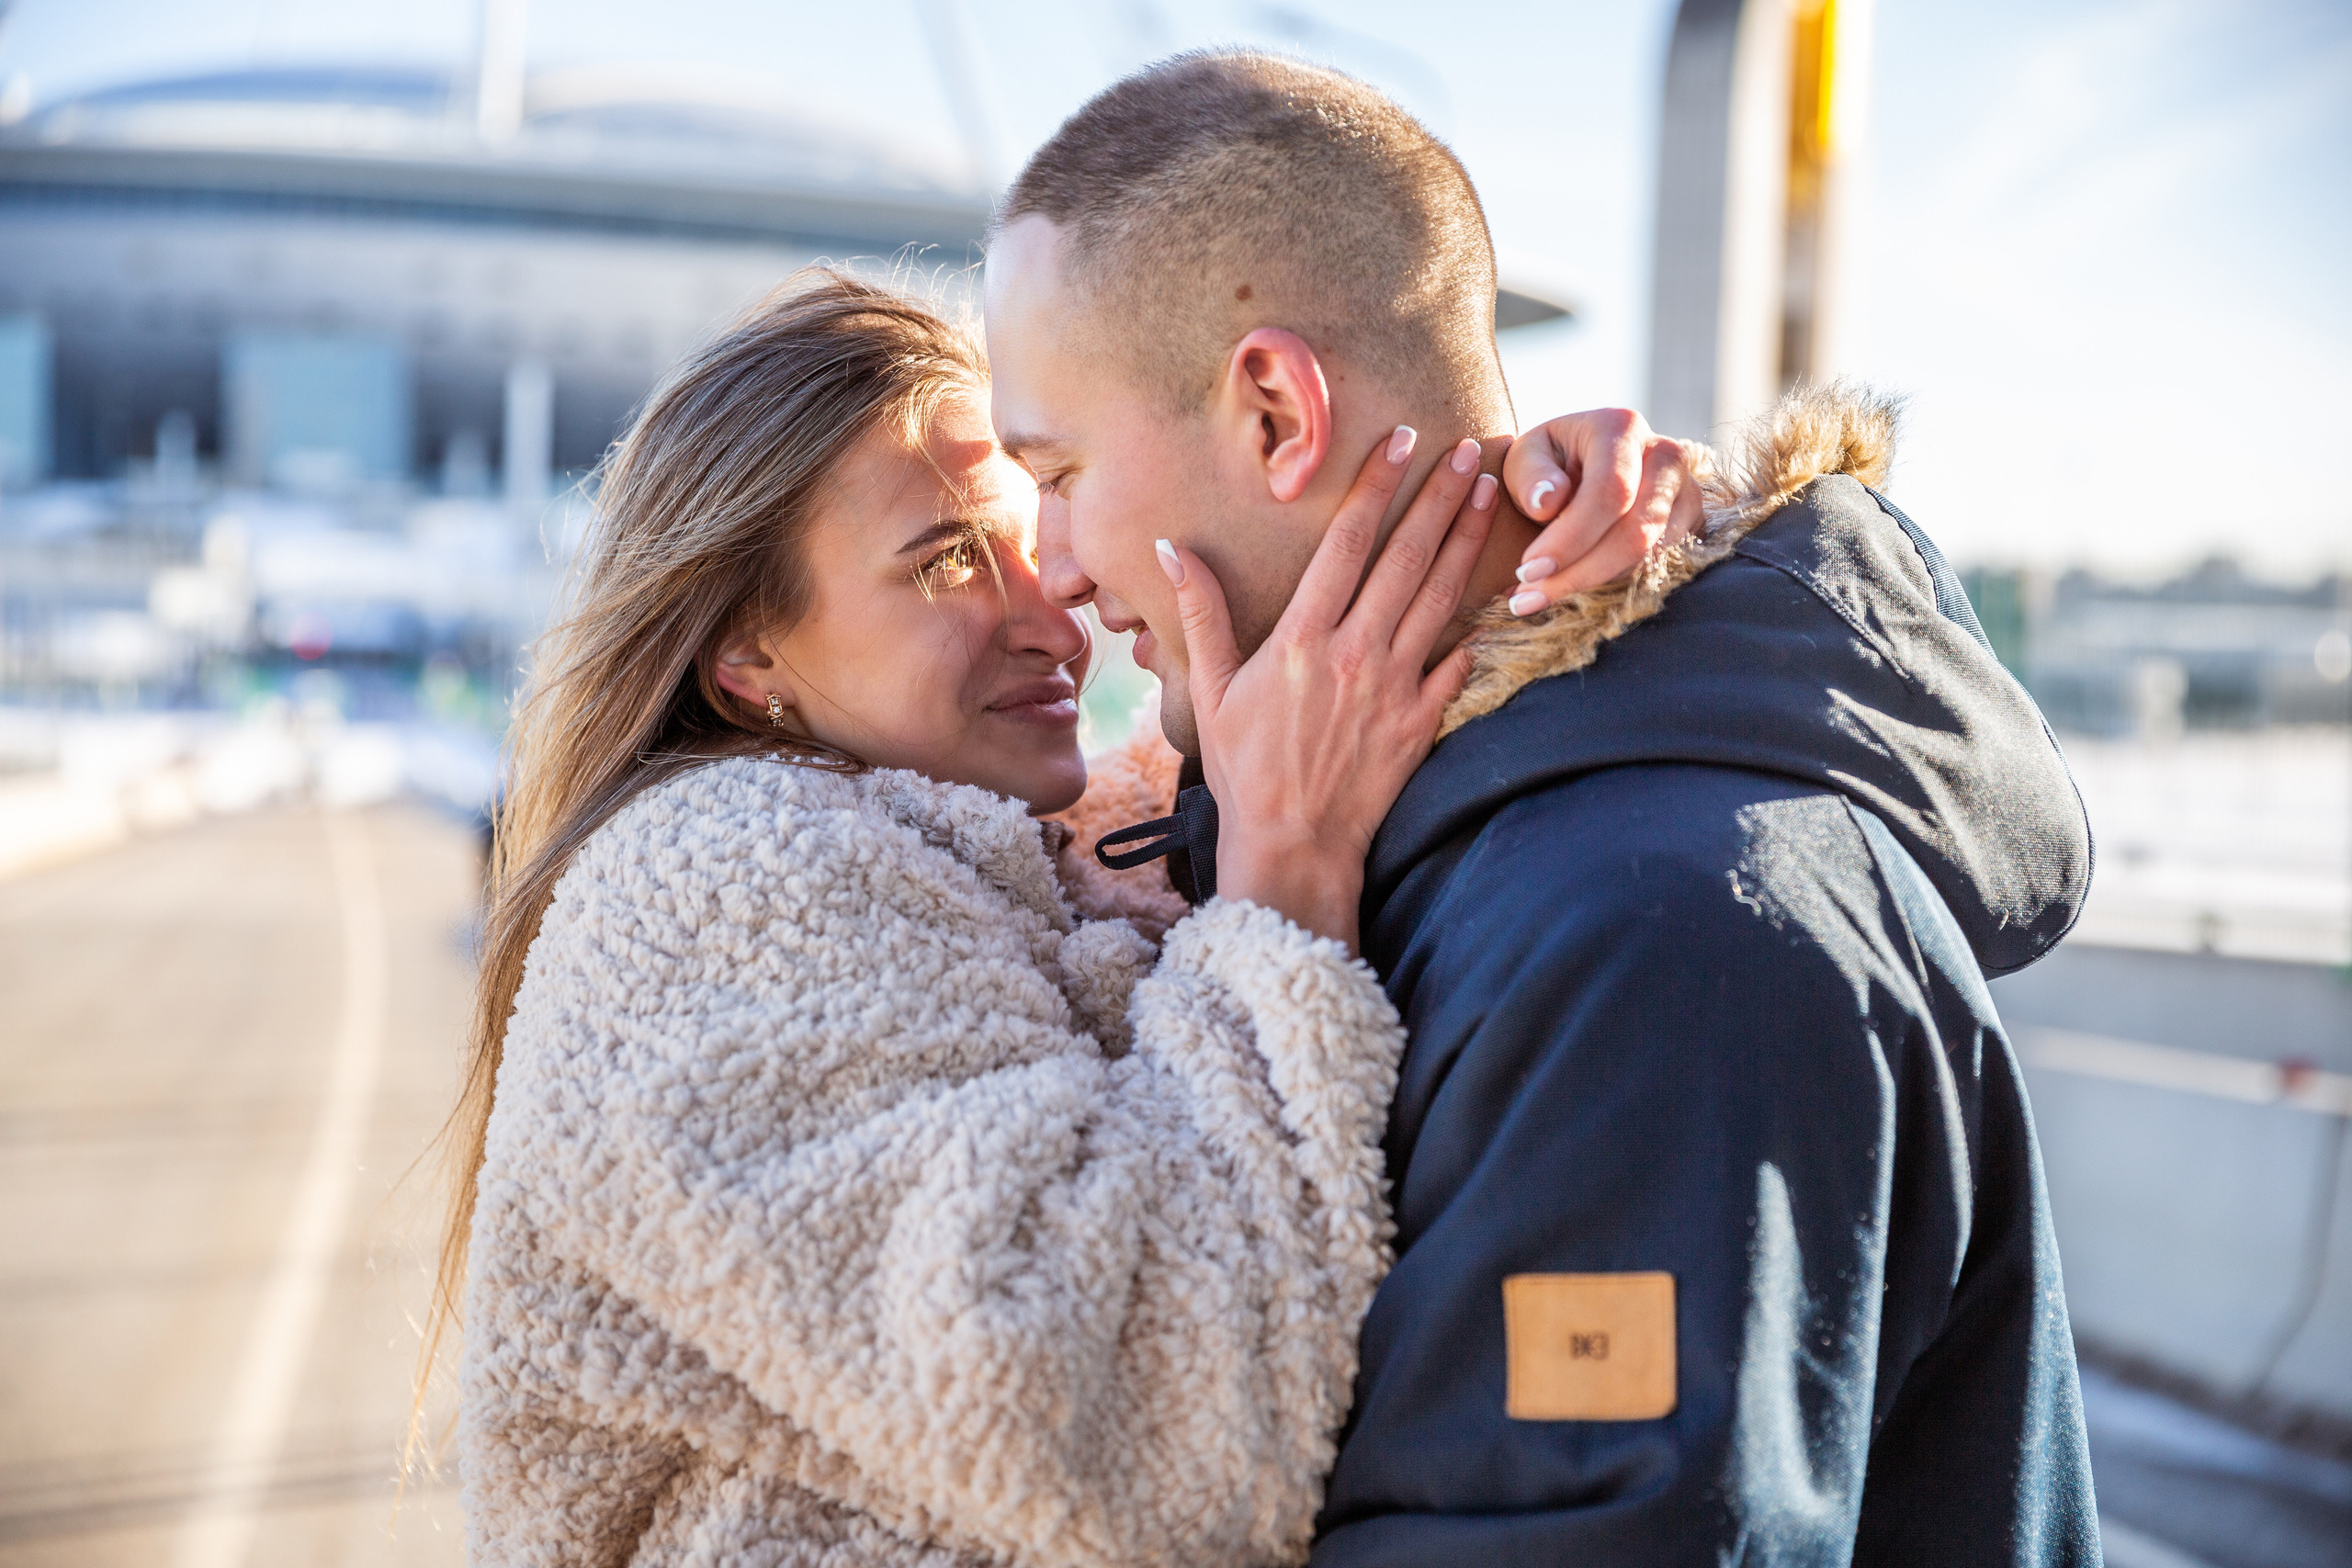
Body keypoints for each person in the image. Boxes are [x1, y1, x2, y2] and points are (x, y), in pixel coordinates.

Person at [984, 51, 2102, 1566]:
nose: (1046, 565)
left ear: (1271, 411)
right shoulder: (1406, 844)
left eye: (1056, 472)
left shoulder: (1659, 938)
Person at [438, 268, 1683, 1566]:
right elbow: (1152, 1431)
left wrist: (1543, 524)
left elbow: (1293, 730)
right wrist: (1289, 876)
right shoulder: (709, 889)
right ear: (747, 654)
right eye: (950, 562)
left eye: (1044, 545)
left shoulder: (1036, 858)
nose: (1056, 622)